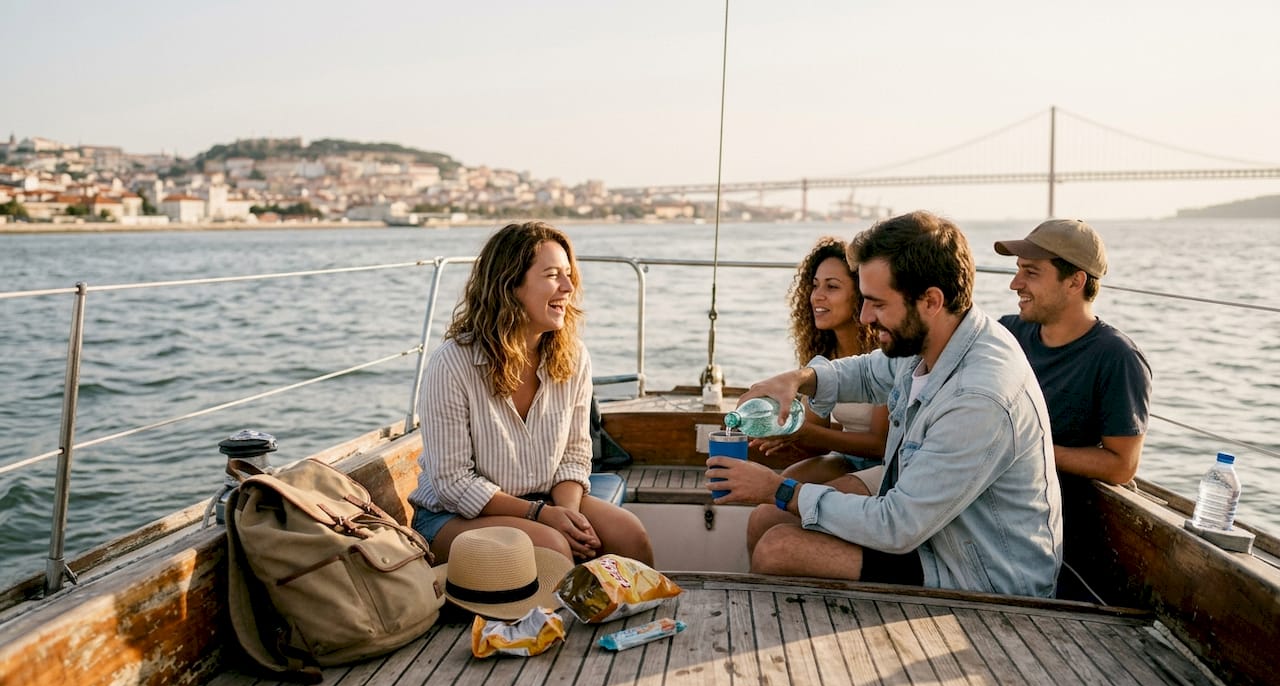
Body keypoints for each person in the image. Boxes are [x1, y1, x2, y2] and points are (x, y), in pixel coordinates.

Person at [708, 210, 1062, 597]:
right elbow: (869, 372)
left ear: (930, 300)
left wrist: (780, 490)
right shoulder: (937, 338)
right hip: (936, 537)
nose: (864, 316)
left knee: (780, 549)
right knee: (766, 522)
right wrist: (798, 378)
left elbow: (896, 527)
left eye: (876, 303)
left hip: (986, 576)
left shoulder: (979, 398)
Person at [407, 221, 654, 566]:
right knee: (551, 548)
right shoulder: (453, 364)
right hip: (450, 517)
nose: (568, 287)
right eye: (553, 275)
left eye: (569, 274)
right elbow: (453, 482)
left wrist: (567, 516)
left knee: (630, 535)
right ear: (510, 286)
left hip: (543, 502)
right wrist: (541, 516)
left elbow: (575, 454)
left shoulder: (573, 356)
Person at [994, 219, 1152, 486]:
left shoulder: (1117, 358)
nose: (1015, 284)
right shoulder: (1007, 332)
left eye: (1031, 273)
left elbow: (1121, 467)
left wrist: (1026, 449)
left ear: (1075, 281)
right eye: (1018, 270)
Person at [749, 237, 889, 500]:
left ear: (860, 293)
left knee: (785, 501)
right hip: (847, 459)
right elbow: (816, 439)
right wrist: (785, 432)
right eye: (814, 286)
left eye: (832, 287)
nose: (817, 296)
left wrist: (804, 432)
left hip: (886, 463)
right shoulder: (824, 354)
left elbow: (880, 444)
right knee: (782, 487)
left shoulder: (882, 354)